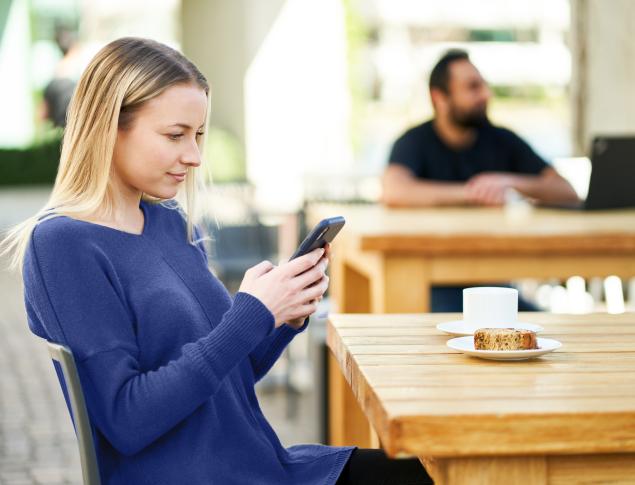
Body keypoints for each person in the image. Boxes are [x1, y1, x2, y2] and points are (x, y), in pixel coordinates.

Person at [1, 38, 431, 485]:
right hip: (187, 475)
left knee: (434, 466)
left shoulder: (168, 221)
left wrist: (280, 316)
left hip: (256, 464)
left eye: (198, 135)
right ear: (109, 127)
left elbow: (227, 375)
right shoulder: (62, 245)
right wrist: (250, 314)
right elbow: (127, 420)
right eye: (175, 135)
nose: (194, 156)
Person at [382, 49, 579, 312]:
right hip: (429, 285)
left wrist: (509, 181)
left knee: (549, 334)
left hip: (496, 290)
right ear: (439, 98)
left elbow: (567, 191)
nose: (486, 95)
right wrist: (474, 192)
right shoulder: (414, 141)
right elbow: (394, 190)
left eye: (484, 85)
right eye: (473, 87)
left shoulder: (502, 140)